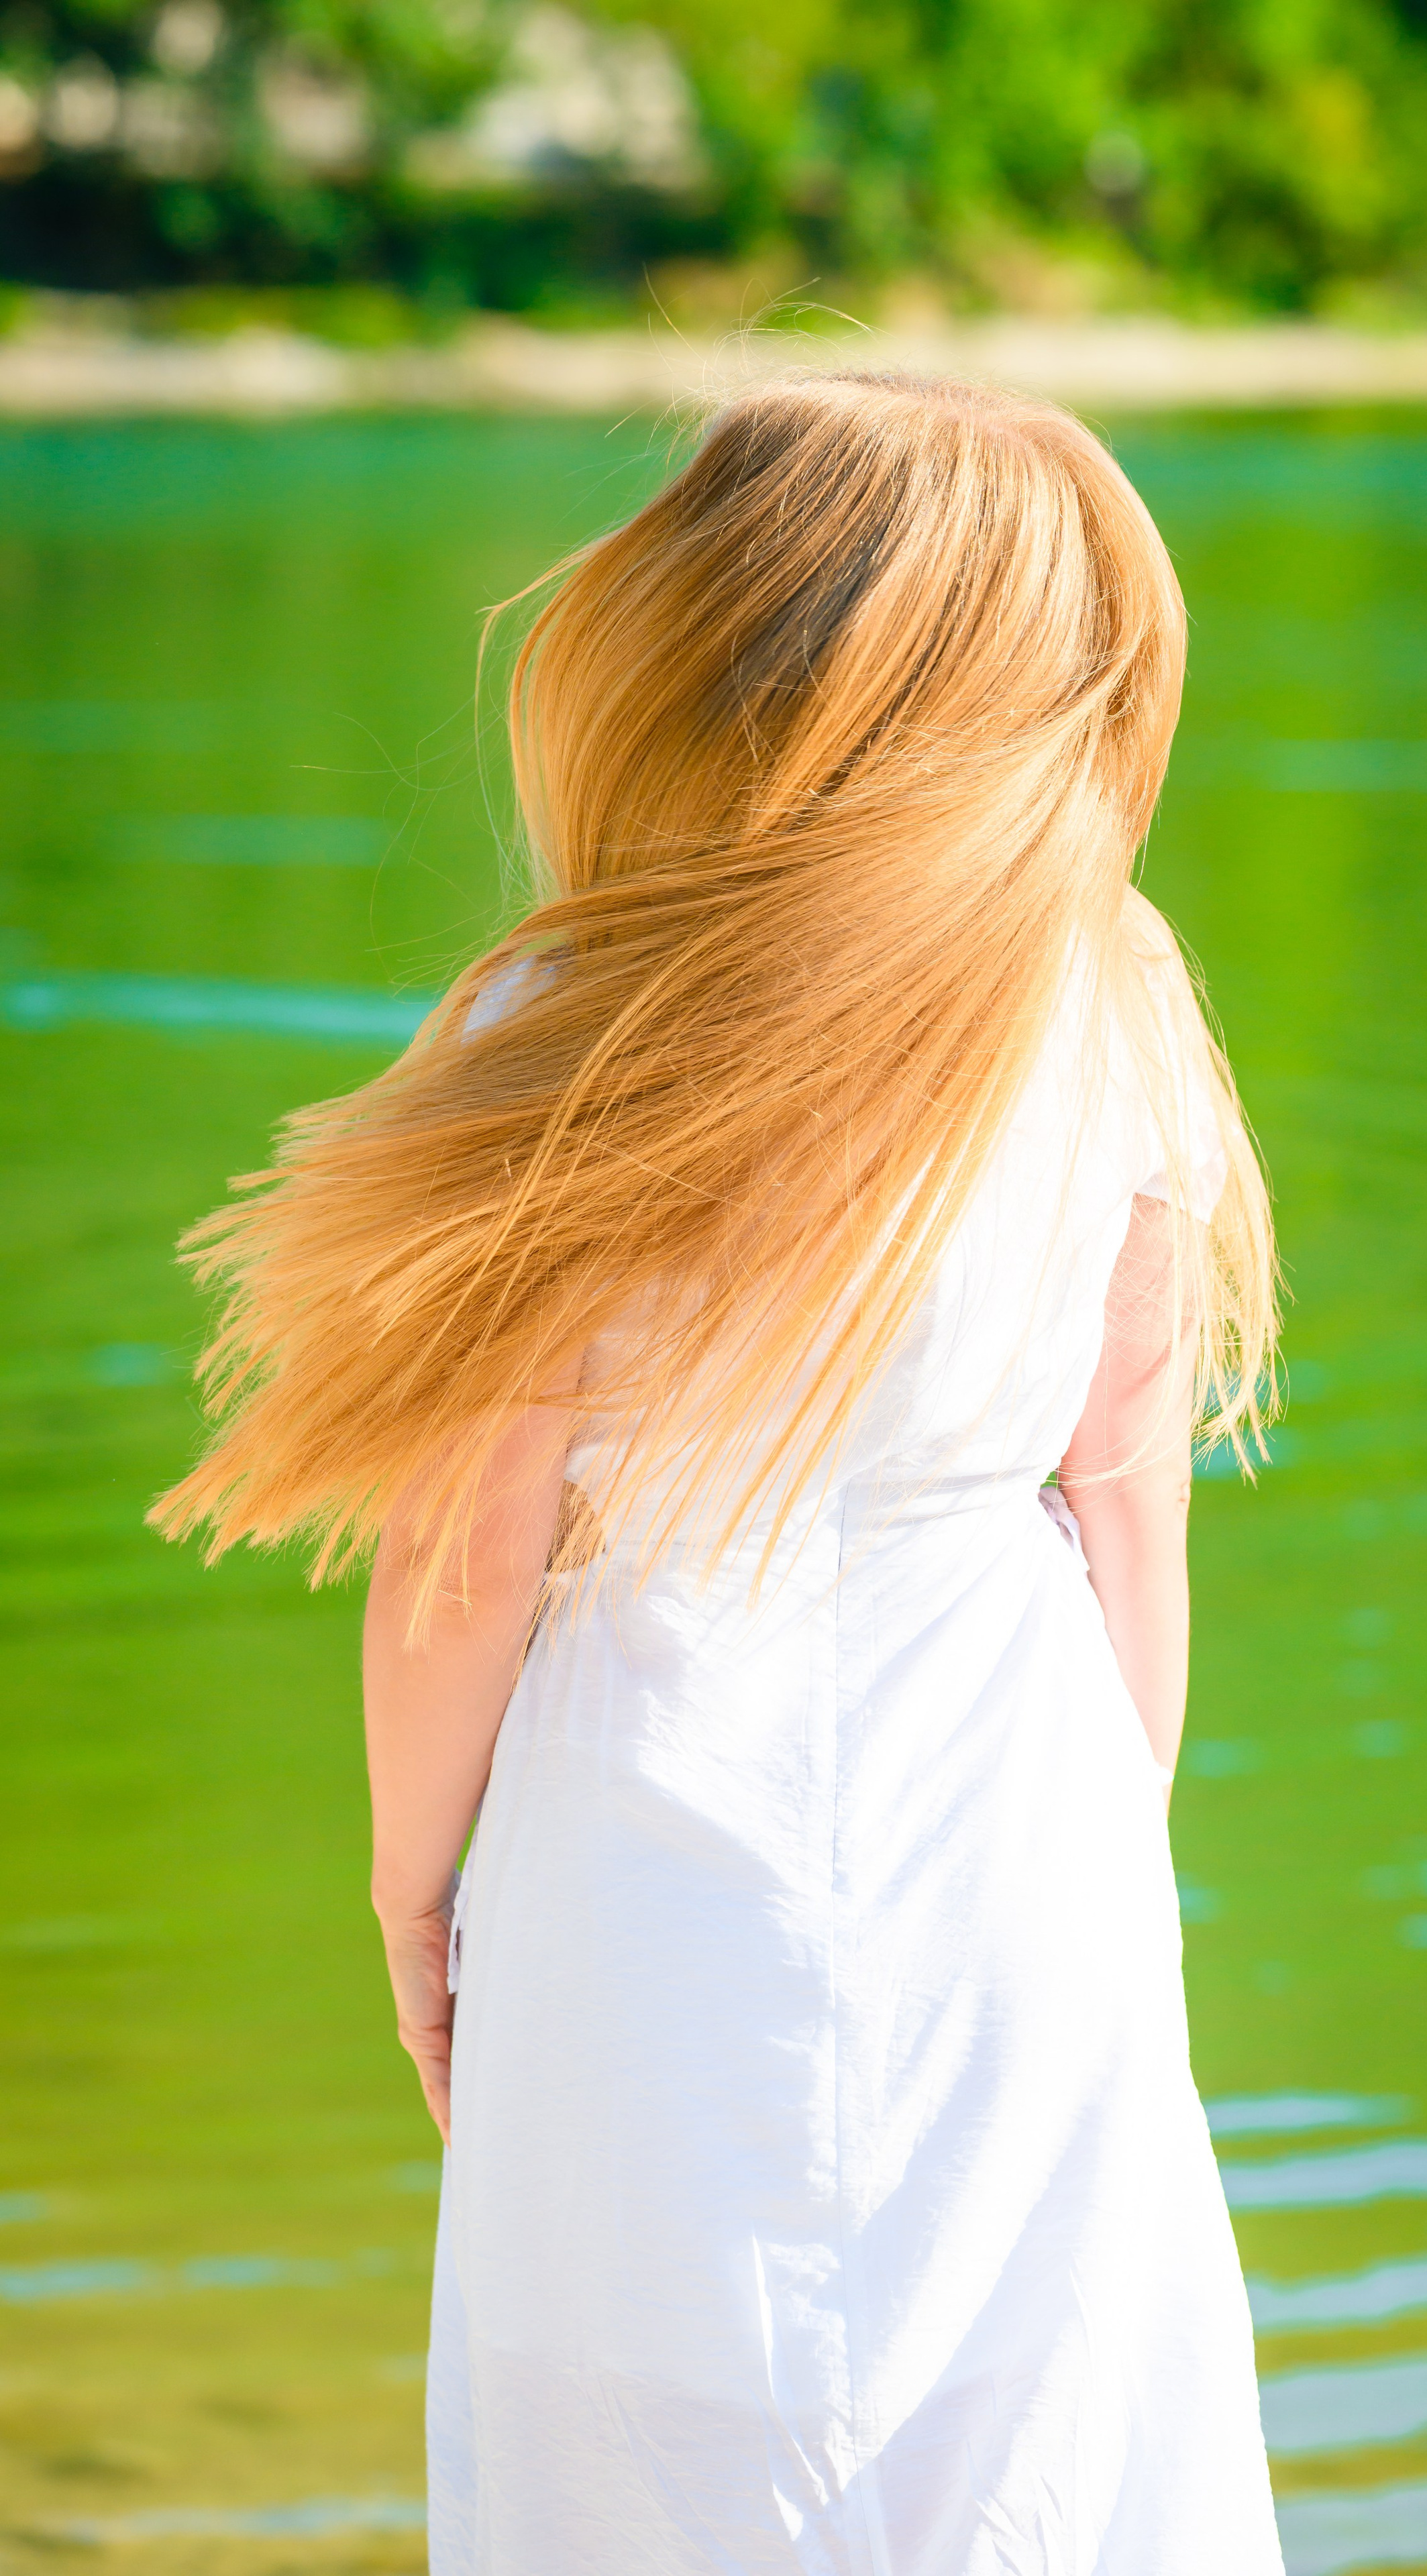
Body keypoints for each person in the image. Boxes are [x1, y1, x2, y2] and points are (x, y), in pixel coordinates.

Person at [155, 371, 1283, 2575]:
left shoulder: (569, 1023)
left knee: (648, 2415)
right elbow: (1127, 1502)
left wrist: (412, 1884)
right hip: (1018, 1810)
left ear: (703, 644)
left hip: (656, 1822)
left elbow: (470, 1552)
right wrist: (1107, 1867)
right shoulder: (1113, 993)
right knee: (1042, 2432)